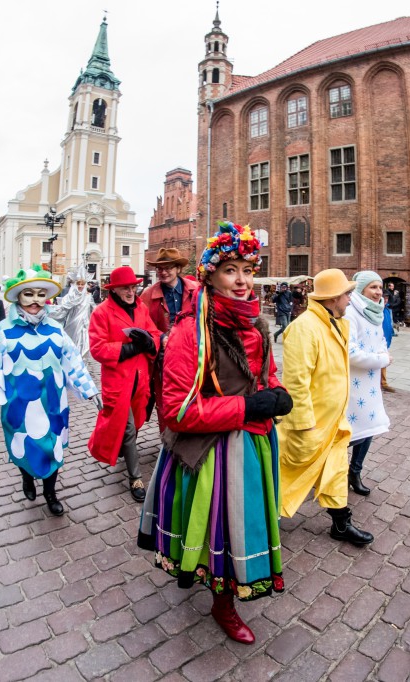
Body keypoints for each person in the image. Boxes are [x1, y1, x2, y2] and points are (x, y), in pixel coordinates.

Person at [137, 221, 289, 644]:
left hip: (253, 443)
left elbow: (266, 375)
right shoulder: (189, 331)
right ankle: (224, 603)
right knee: (219, 527)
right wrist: (246, 407)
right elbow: (177, 410)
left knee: (241, 523)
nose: (242, 281)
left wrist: (277, 395)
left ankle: (224, 596)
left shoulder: (256, 324)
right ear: (210, 274)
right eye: (230, 270)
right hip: (212, 451)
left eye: (248, 269)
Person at [0, 265, 100, 516]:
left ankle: (50, 492)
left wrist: (90, 390)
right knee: (23, 446)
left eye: (40, 294)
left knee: (53, 448)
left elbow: (73, 361)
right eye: (29, 294)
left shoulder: (55, 329)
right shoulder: (3, 331)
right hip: (19, 407)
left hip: (53, 406)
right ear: (18, 298)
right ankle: (26, 476)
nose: (35, 300)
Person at [279, 268, 374, 546]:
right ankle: (257, 522)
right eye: (347, 293)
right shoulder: (304, 328)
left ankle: (341, 524)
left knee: (336, 472)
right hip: (311, 425)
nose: (349, 299)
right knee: (287, 476)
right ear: (333, 298)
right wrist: (304, 423)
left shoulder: (337, 323)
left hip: (333, 422)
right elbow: (295, 381)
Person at [88, 266, 161, 502]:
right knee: (128, 428)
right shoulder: (102, 312)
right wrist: (128, 348)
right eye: (125, 288)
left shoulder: (141, 307)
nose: (131, 291)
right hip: (118, 382)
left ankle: (123, 445)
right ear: (115, 290)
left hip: (140, 380)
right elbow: (97, 348)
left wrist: (151, 343)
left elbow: (154, 333)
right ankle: (135, 477)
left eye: (133, 287)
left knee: (136, 422)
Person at [344, 272, 392, 496]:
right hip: (353, 383)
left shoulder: (377, 312)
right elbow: (351, 352)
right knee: (350, 432)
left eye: (380, 287)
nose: (378, 292)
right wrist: (382, 360)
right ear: (361, 289)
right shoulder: (350, 312)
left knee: (370, 427)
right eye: (373, 287)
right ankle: (331, 470)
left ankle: (355, 471)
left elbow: (381, 340)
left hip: (371, 384)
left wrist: (383, 352)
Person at [140, 248, 198, 428]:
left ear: (178, 269)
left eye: (168, 268)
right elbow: (143, 324)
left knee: (194, 394)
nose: (163, 272)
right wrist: (161, 336)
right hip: (163, 357)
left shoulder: (195, 290)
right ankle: (169, 440)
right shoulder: (148, 295)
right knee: (166, 398)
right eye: (160, 268)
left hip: (193, 353)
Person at [49, 276, 95, 359]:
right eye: (78, 284)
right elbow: (62, 309)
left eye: (82, 284)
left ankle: (82, 365)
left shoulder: (88, 297)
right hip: (72, 325)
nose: (80, 286)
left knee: (85, 347)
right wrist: (50, 312)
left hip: (85, 325)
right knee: (72, 346)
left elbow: (95, 310)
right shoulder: (69, 297)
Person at [380, 291, 396, 393]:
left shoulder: (386, 309)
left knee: (384, 362)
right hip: (380, 340)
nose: (385, 300)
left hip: (386, 339)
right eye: (384, 297)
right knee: (381, 361)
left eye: (387, 298)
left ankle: (383, 382)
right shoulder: (378, 310)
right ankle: (383, 383)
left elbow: (388, 323)